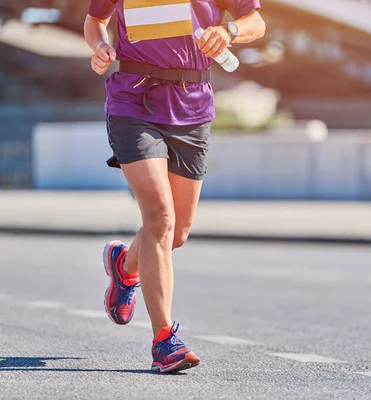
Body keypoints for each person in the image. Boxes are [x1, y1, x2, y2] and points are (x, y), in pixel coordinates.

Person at [84, 0, 266, 374]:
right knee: (160, 217)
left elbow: (256, 22)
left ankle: (124, 265)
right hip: (133, 102)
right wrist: (99, 46)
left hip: (193, 107)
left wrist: (228, 31)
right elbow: (94, 20)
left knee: (177, 232)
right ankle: (164, 339)